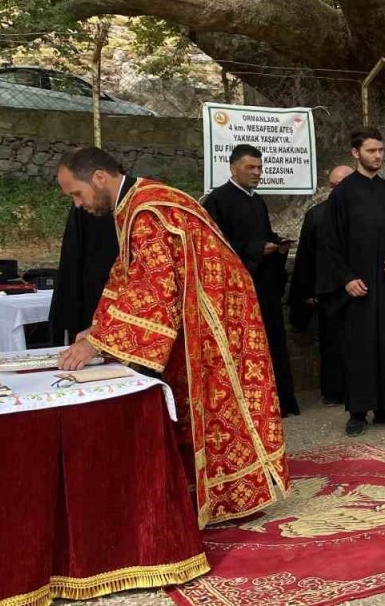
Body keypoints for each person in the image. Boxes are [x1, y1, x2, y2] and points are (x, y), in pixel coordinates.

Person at [55, 147, 289, 526]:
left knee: (215, 402)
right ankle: (215, 493)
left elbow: (155, 287)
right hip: (203, 305)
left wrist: (96, 342)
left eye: (76, 194)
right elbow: (127, 274)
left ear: (99, 177)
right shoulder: (137, 203)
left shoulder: (148, 210)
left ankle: (230, 496)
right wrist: (101, 325)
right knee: (204, 403)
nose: (77, 204)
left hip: (212, 314)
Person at [318, 129, 385, 436]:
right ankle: (358, 411)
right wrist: (346, 278)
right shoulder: (343, 194)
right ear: (356, 153)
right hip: (359, 289)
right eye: (371, 151)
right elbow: (329, 243)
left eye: (380, 150)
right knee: (359, 349)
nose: (378, 156)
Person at [201, 144, 299, 417]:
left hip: (264, 285)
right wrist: (256, 249)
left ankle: (278, 402)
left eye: (259, 167)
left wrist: (277, 244)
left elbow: (262, 234)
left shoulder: (257, 200)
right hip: (237, 289)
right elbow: (214, 246)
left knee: (272, 341)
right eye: (250, 167)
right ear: (234, 168)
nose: (257, 173)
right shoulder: (218, 200)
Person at [288, 165, 355, 405]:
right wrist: (306, 291)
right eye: (334, 185)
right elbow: (306, 257)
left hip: (359, 290)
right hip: (328, 291)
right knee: (331, 343)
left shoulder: (365, 213)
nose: (337, 190)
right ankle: (334, 392)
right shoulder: (316, 215)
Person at [48, 178, 121, 344]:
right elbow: (72, 255)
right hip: (92, 289)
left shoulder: (138, 205)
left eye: (77, 194)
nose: (77, 202)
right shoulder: (86, 204)